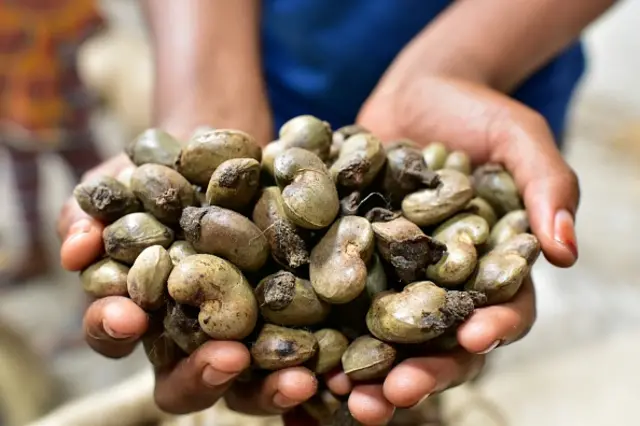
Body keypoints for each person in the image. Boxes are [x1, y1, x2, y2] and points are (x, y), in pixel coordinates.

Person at [57, 1, 615, 425]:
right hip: (262, 60)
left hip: (509, 49)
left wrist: (466, 62)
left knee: (430, 365)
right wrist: (207, 93)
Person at [0, 0, 104, 282]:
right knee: (24, 175)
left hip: (63, 104)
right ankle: (34, 249)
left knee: (93, 179)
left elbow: (94, 28)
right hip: (17, 102)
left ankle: (101, 252)